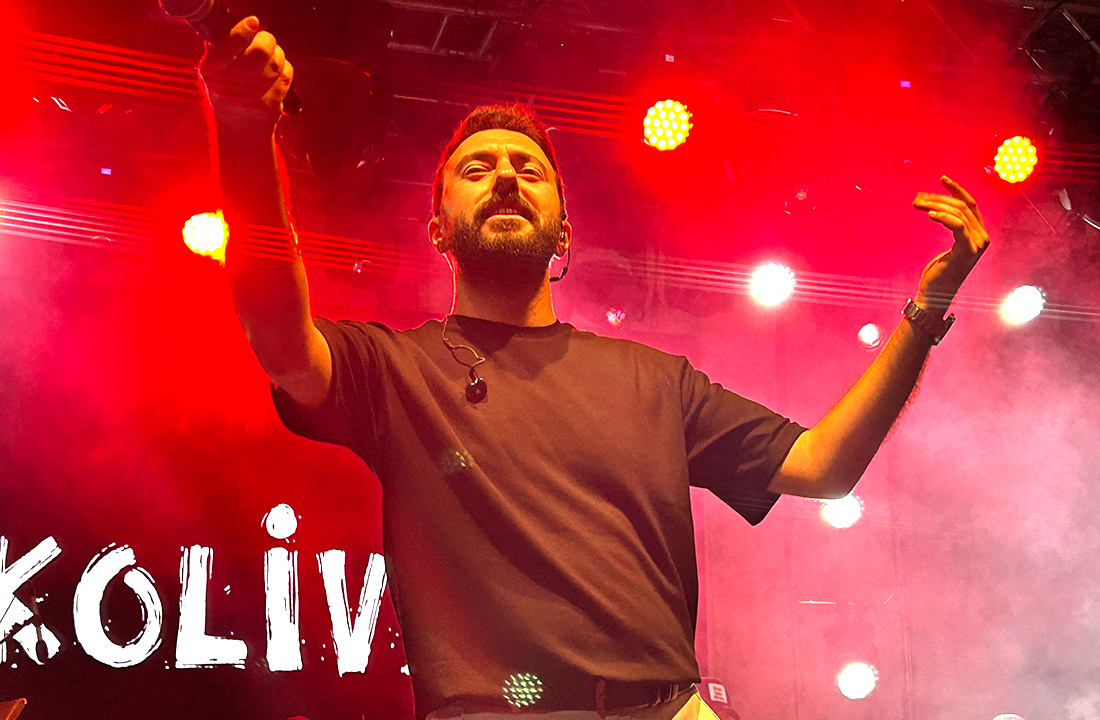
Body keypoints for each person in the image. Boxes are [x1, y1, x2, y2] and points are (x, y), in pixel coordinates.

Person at [199, 16, 990, 720]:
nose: (504, 176)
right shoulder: (394, 370)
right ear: (437, 230)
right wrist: (242, 128)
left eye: (528, 169)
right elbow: (279, 338)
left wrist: (924, 313)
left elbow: (822, 465)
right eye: (476, 170)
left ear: (564, 232)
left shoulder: (656, 381)